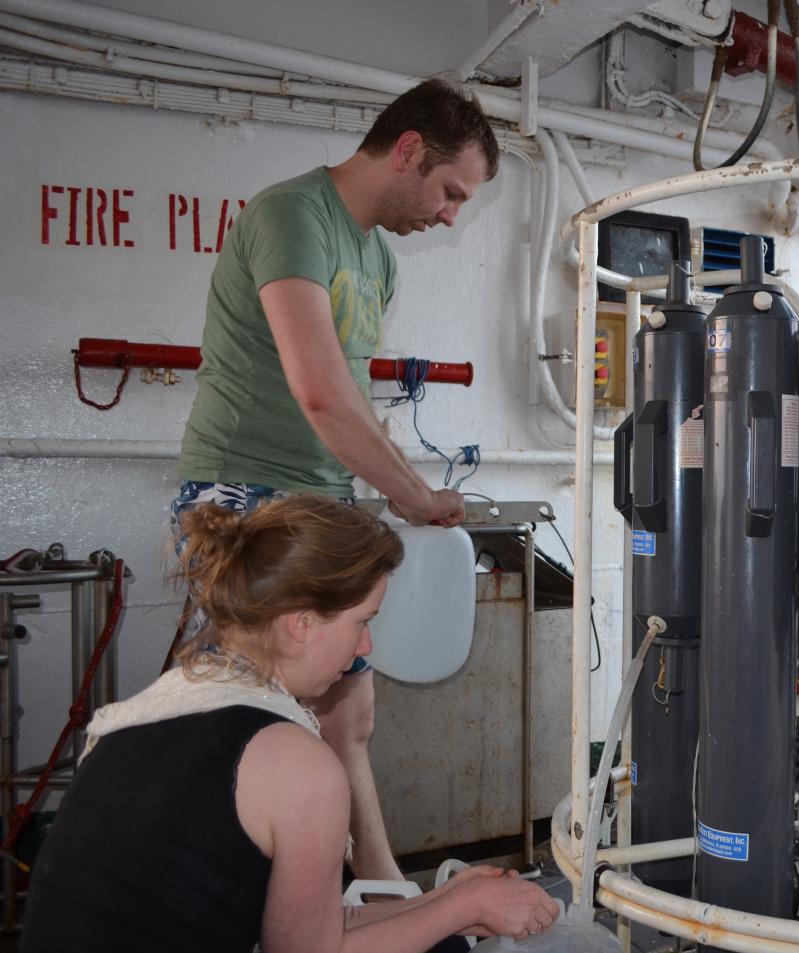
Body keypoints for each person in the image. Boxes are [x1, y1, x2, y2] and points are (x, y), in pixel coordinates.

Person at [172, 77, 497, 881]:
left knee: (349, 712)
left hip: (320, 499)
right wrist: (414, 497)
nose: (451, 215)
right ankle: (227, 900)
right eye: (452, 192)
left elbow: (351, 398)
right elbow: (317, 389)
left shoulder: (377, 260)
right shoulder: (292, 215)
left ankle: (380, 888)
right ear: (410, 150)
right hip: (244, 495)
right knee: (246, 716)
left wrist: (400, 485)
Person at [22, 497, 560, 953]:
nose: (366, 647)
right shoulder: (298, 764)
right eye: (363, 622)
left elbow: (310, 933)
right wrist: (462, 906)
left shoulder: (157, 708)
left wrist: (447, 903)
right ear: (301, 624)